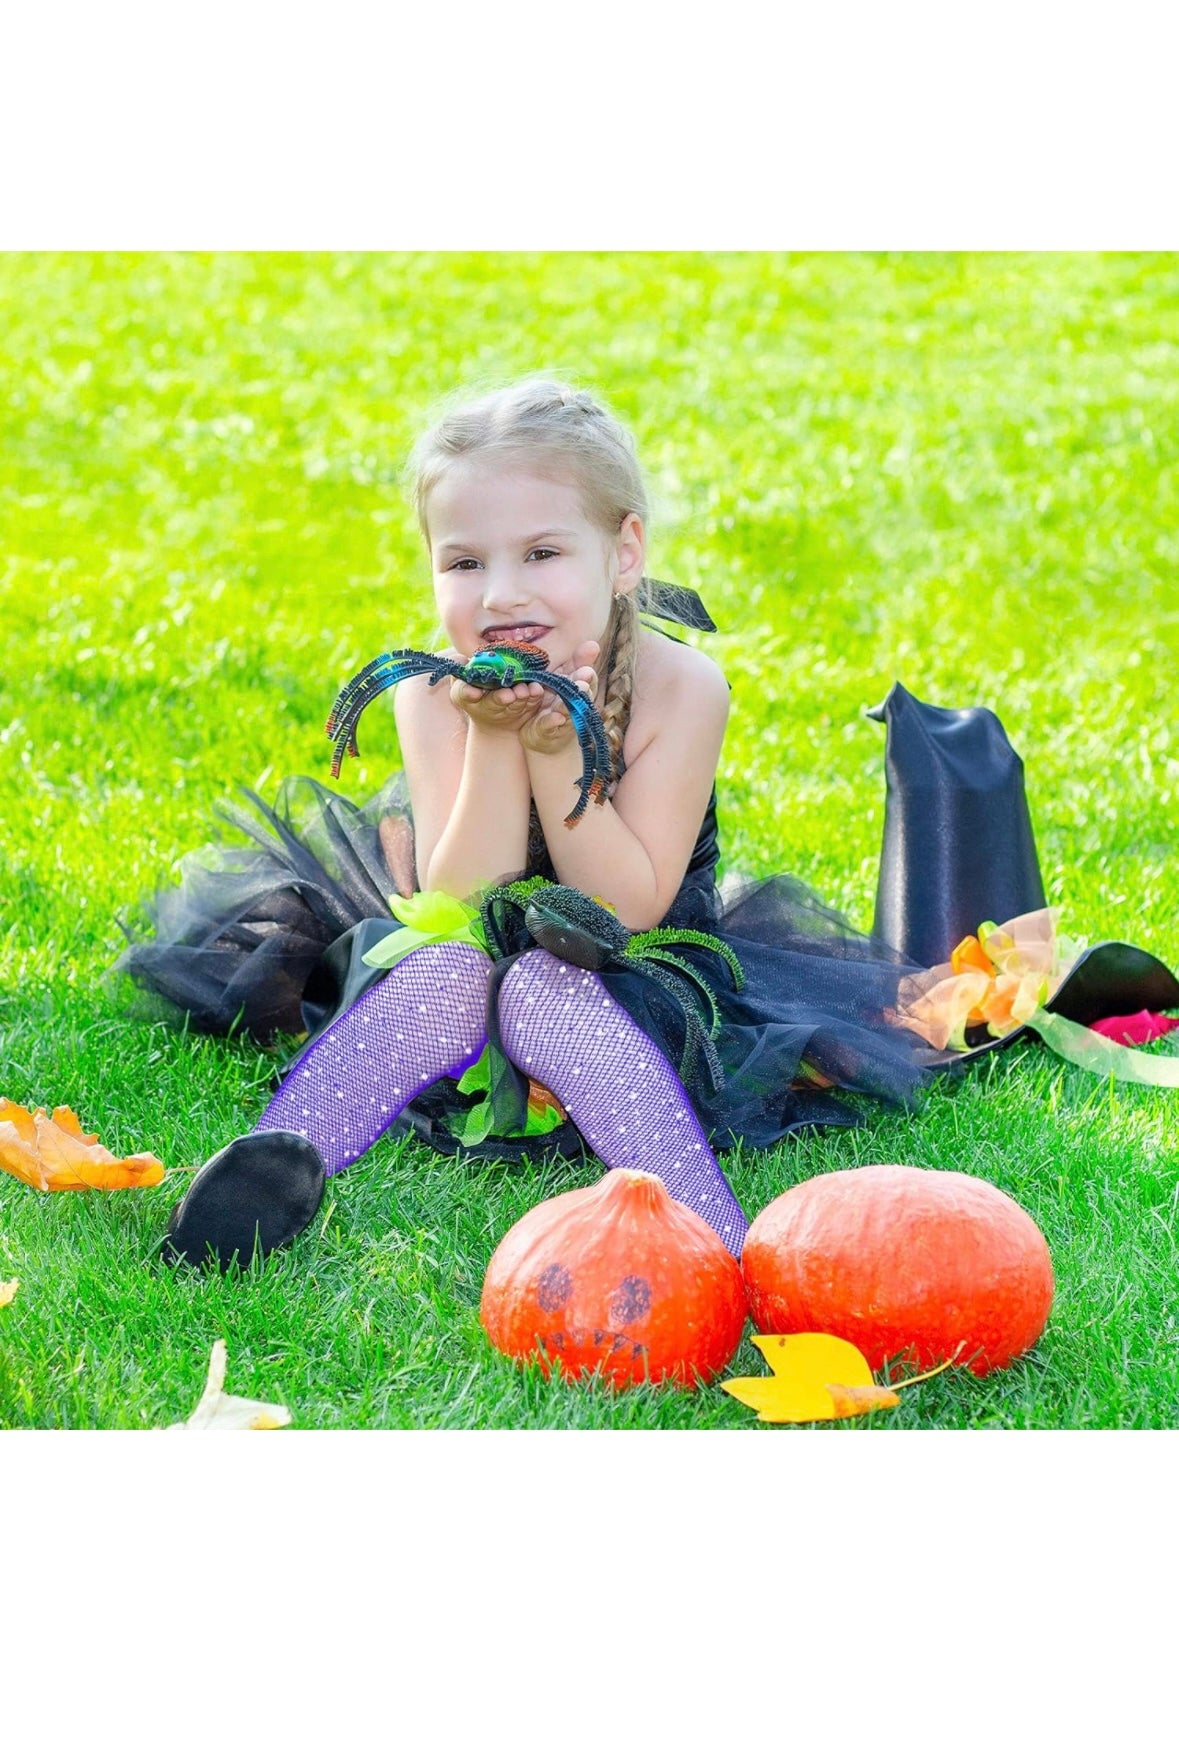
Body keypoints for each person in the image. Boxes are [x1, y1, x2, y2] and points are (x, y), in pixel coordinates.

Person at [133, 378, 954, 1272]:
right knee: (445, 970)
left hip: (636, 976)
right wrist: (492, 743)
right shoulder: (428, 689)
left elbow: (625, 908)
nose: (501, 593)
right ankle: (272, 1172)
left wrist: (563, 751)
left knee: (540, 989)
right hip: (467, 964)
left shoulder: (681, 688)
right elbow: (458, 899)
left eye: (542, 553)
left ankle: (712, 1238)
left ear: (624, 551)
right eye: (464, 563)